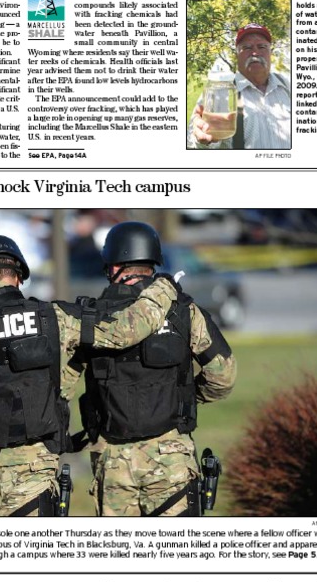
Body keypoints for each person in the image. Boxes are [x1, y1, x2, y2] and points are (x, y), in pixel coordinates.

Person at [0, 234, 179, 517]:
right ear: (19, 277)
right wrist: (164, 289)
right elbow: (126, 331)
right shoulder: (54, 319)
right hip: (33, 473)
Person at [75, 221, 236, 516]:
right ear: (153, 262)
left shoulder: (93, 317)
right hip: (171, 458)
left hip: (113, 462)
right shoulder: (185, 312)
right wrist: (182, 397)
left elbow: (63, 377)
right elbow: (223, 376)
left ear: (115, 266)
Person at [188, 23, 291, 150]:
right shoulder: (220, 91)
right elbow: (195, 145)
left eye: (262, 46)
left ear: (270, 52)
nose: (255, 53)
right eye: (247, 47)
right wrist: (202, 139)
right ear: (237, 54)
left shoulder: (288, 86)